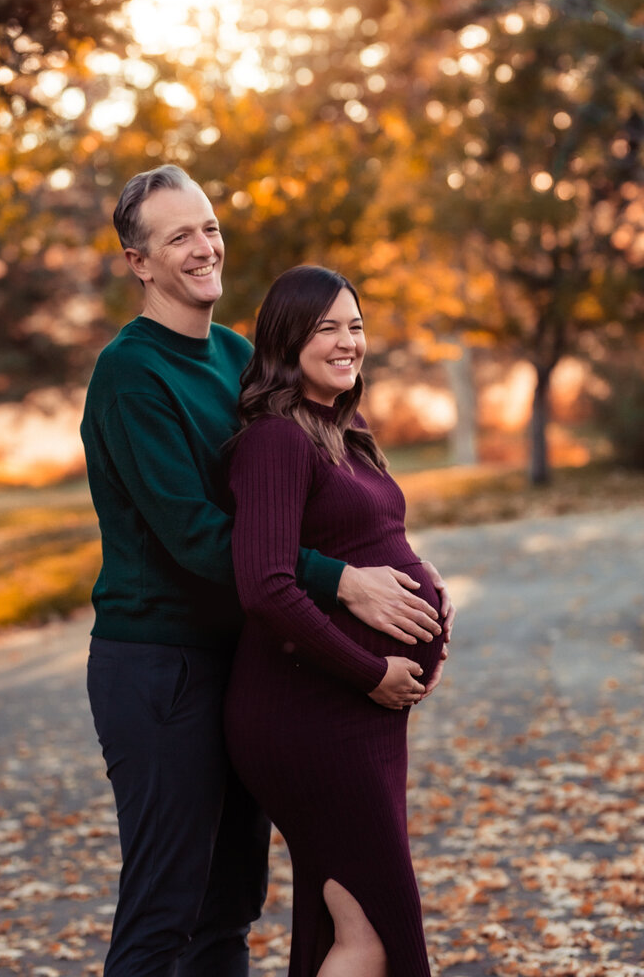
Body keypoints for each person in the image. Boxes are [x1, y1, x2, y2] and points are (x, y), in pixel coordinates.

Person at [80, 165, 453, 977]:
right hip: (160, 665)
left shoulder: (236, 355)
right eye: (178, 235)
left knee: (229, 905)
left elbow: (291, 492)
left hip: (249, 663)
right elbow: (202, 538)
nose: (203, 246)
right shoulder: (131, 374)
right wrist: (341, 583)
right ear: (139, 262)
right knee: (166, 907)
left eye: (209, 226)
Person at [225, 265, 449, 977]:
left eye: (354, 325)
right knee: (371, 930)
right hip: (311, 719)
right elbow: (264, 587)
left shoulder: (342, 428)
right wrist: (373, 669)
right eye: (327, 328)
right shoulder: (275, 442)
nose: (347, 341)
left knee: (346, 919)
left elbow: (367, 533)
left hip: (361, 719)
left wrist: (429, 586)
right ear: (287, 340)